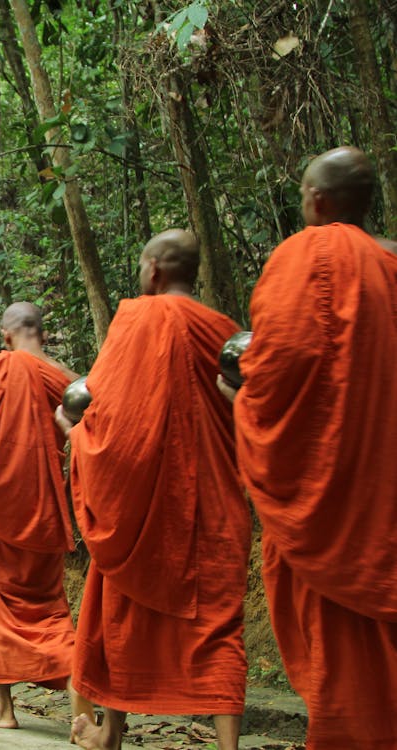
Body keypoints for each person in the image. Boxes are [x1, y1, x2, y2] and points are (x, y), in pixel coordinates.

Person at [221, 146, 397, 749]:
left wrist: (241, 400)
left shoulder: (307, 256)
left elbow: (278, 369)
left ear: (317, 201)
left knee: (343, 666)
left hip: (332, 503)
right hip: (387, 495)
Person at [59, 231, 249, 750]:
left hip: (142, 507)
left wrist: (74, 432)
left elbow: (112, 420)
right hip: (213, 505)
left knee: (124, 616)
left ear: (153, 271)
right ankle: (229, 746)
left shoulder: (137, 321)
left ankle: (111, 731)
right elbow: (246, 410)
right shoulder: (224, 330)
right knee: (219, 628)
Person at [0, 303, 89, 729]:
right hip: (45, 511)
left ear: (6, 336)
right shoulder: (65, 378)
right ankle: (79, 689)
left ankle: (6, 711)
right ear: (43, 335)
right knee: (49, 609)